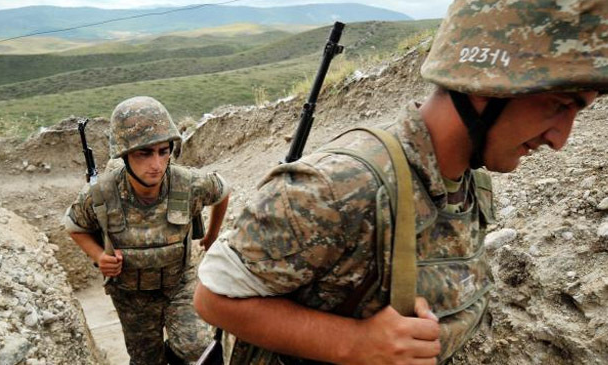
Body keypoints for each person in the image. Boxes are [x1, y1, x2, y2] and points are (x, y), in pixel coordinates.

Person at [193, 0, 607, 364]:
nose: (561, 139)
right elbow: (213, 299)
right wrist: (354, 344)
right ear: (488, 84)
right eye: (558, 105)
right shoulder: (338, 188)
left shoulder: (470, 185)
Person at [64, 96, 230, 365]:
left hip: (179, 284)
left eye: (163, 151)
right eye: (144, 153)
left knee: (198, 346)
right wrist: (99, 257)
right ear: (125, 154)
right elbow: (75, 226)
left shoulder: (188, 183)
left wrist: (211, 236)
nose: (156, 164)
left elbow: (222, 191)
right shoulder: (102, 193)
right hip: (132, 295)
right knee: (145, 359)